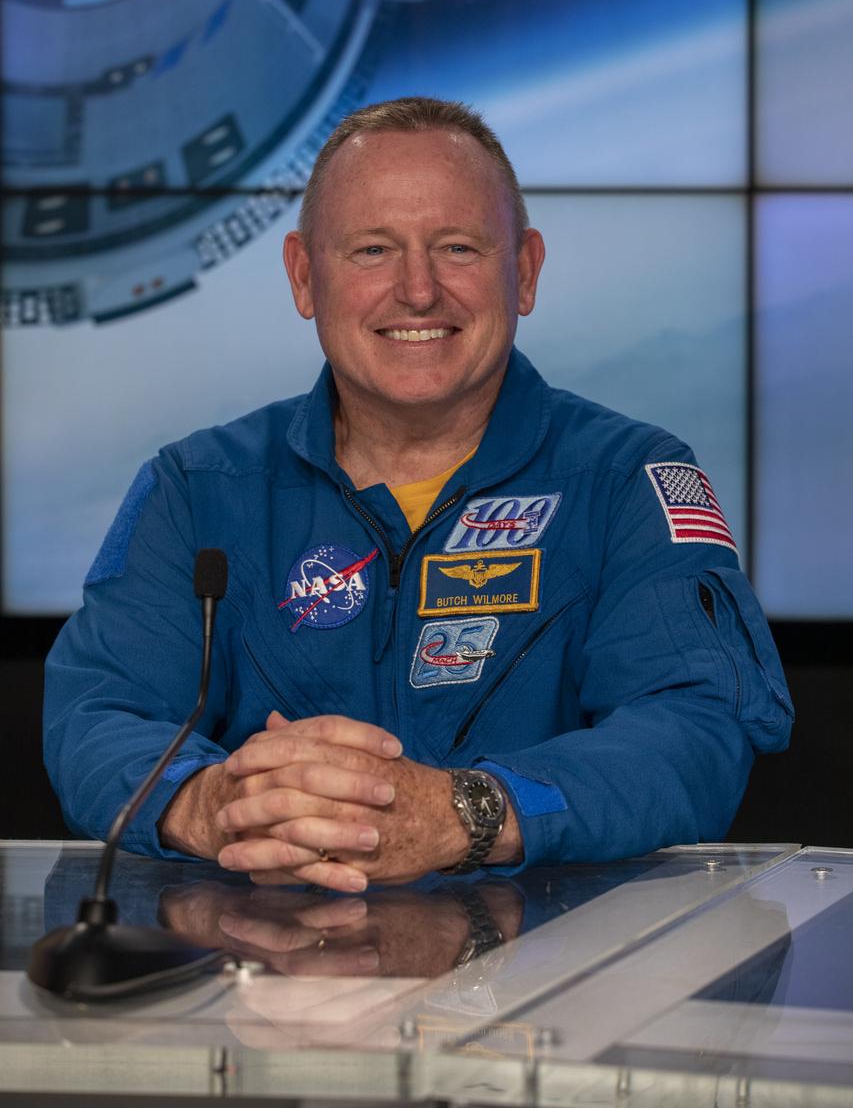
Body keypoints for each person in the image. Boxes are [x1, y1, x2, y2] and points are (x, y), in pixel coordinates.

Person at [44, 97, 793, 892]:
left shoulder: (628, 483)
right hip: (260, 983)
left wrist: (468, 812)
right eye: (371, 249)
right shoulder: (196, 490)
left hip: (546, 984)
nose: (417, 290)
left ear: (526, 271)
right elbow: (96, 715)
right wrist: (210, 804)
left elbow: (695, 730)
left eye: (457, 247)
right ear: (304, 276)